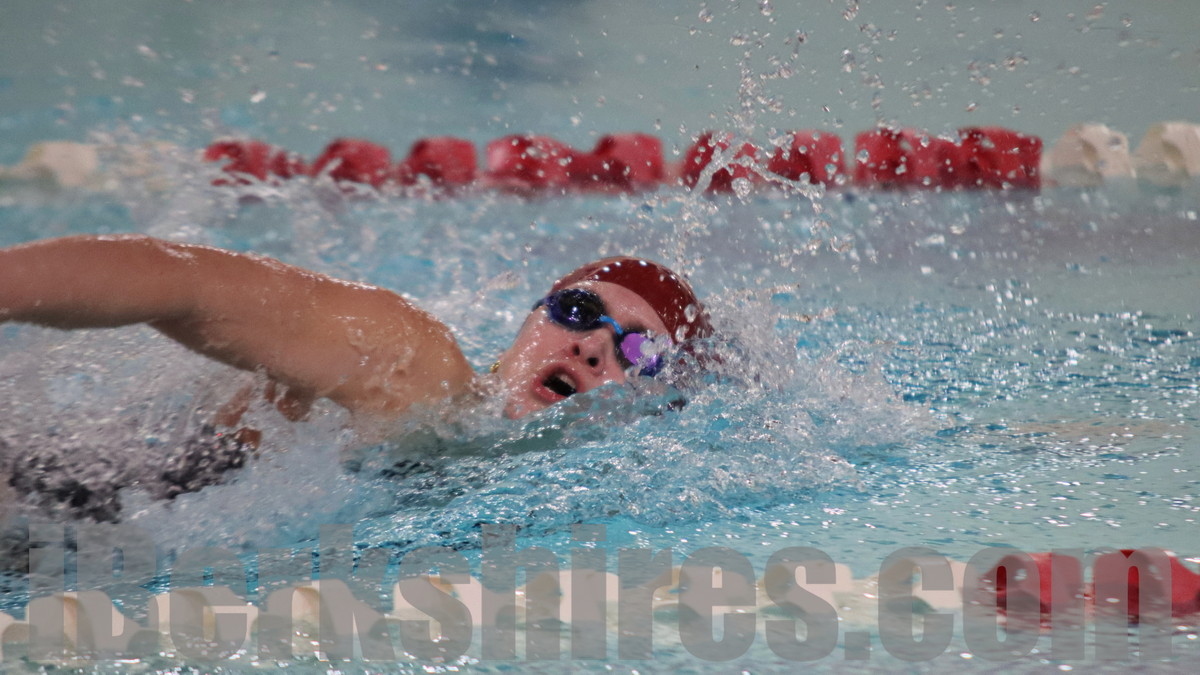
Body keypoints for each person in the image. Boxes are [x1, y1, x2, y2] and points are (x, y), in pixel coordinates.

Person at [0, 234, 713, 424]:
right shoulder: (413, 366)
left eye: (639, 350)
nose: (592, 344)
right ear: (529, 323)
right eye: (579, 311)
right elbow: (183, 283)